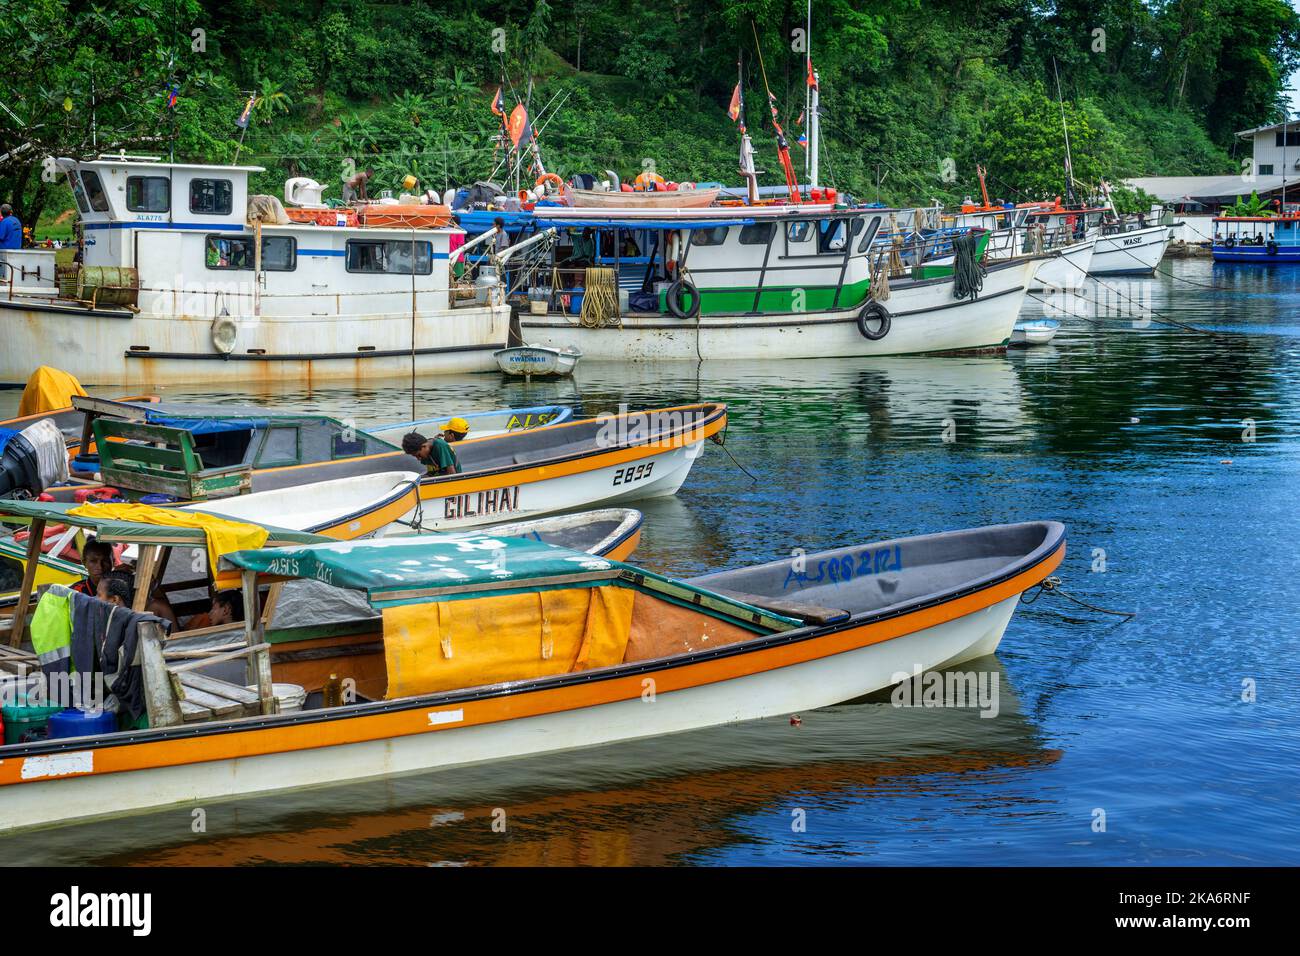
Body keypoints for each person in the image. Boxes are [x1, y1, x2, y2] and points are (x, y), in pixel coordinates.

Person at [401, 417, 469, 476]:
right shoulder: (425, 451)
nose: (418, 459)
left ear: (424, 446)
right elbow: (432, 472)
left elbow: (452, 475)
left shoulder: (440, 446)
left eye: (418, 455)